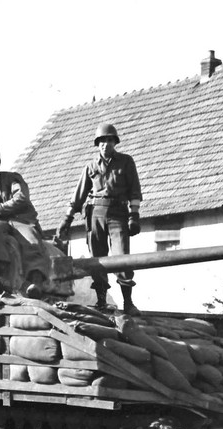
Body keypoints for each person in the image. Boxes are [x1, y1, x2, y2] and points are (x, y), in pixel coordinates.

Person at [56, 123, 142, 315]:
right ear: (97, 144)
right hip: (95, 213)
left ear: (115, 142)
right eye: (102, 141)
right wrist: (67, 219)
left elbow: (135, 190)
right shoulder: (91, 166)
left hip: (117, 213)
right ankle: (102, 300)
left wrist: (134, 214)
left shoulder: (126, 162)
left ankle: (128, 302)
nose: (105, 145)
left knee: (122, 258)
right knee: (98, 259)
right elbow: (79, 195)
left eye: (109, 141)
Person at [0, 142, 47, 297]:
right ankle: (3, 278)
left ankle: (36, 282)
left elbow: (21, 198)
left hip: (20, 218)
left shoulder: (10, 178)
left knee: (30, 239)